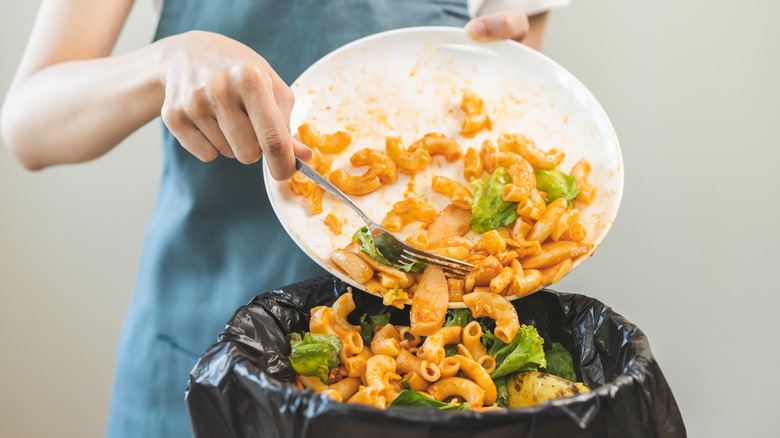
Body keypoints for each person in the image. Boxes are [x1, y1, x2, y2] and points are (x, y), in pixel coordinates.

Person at [1, 0, 569, 436]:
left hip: (422, 371)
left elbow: (514, 102)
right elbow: (28, 126)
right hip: (201, 350)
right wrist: (164, 63)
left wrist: (509, 59)